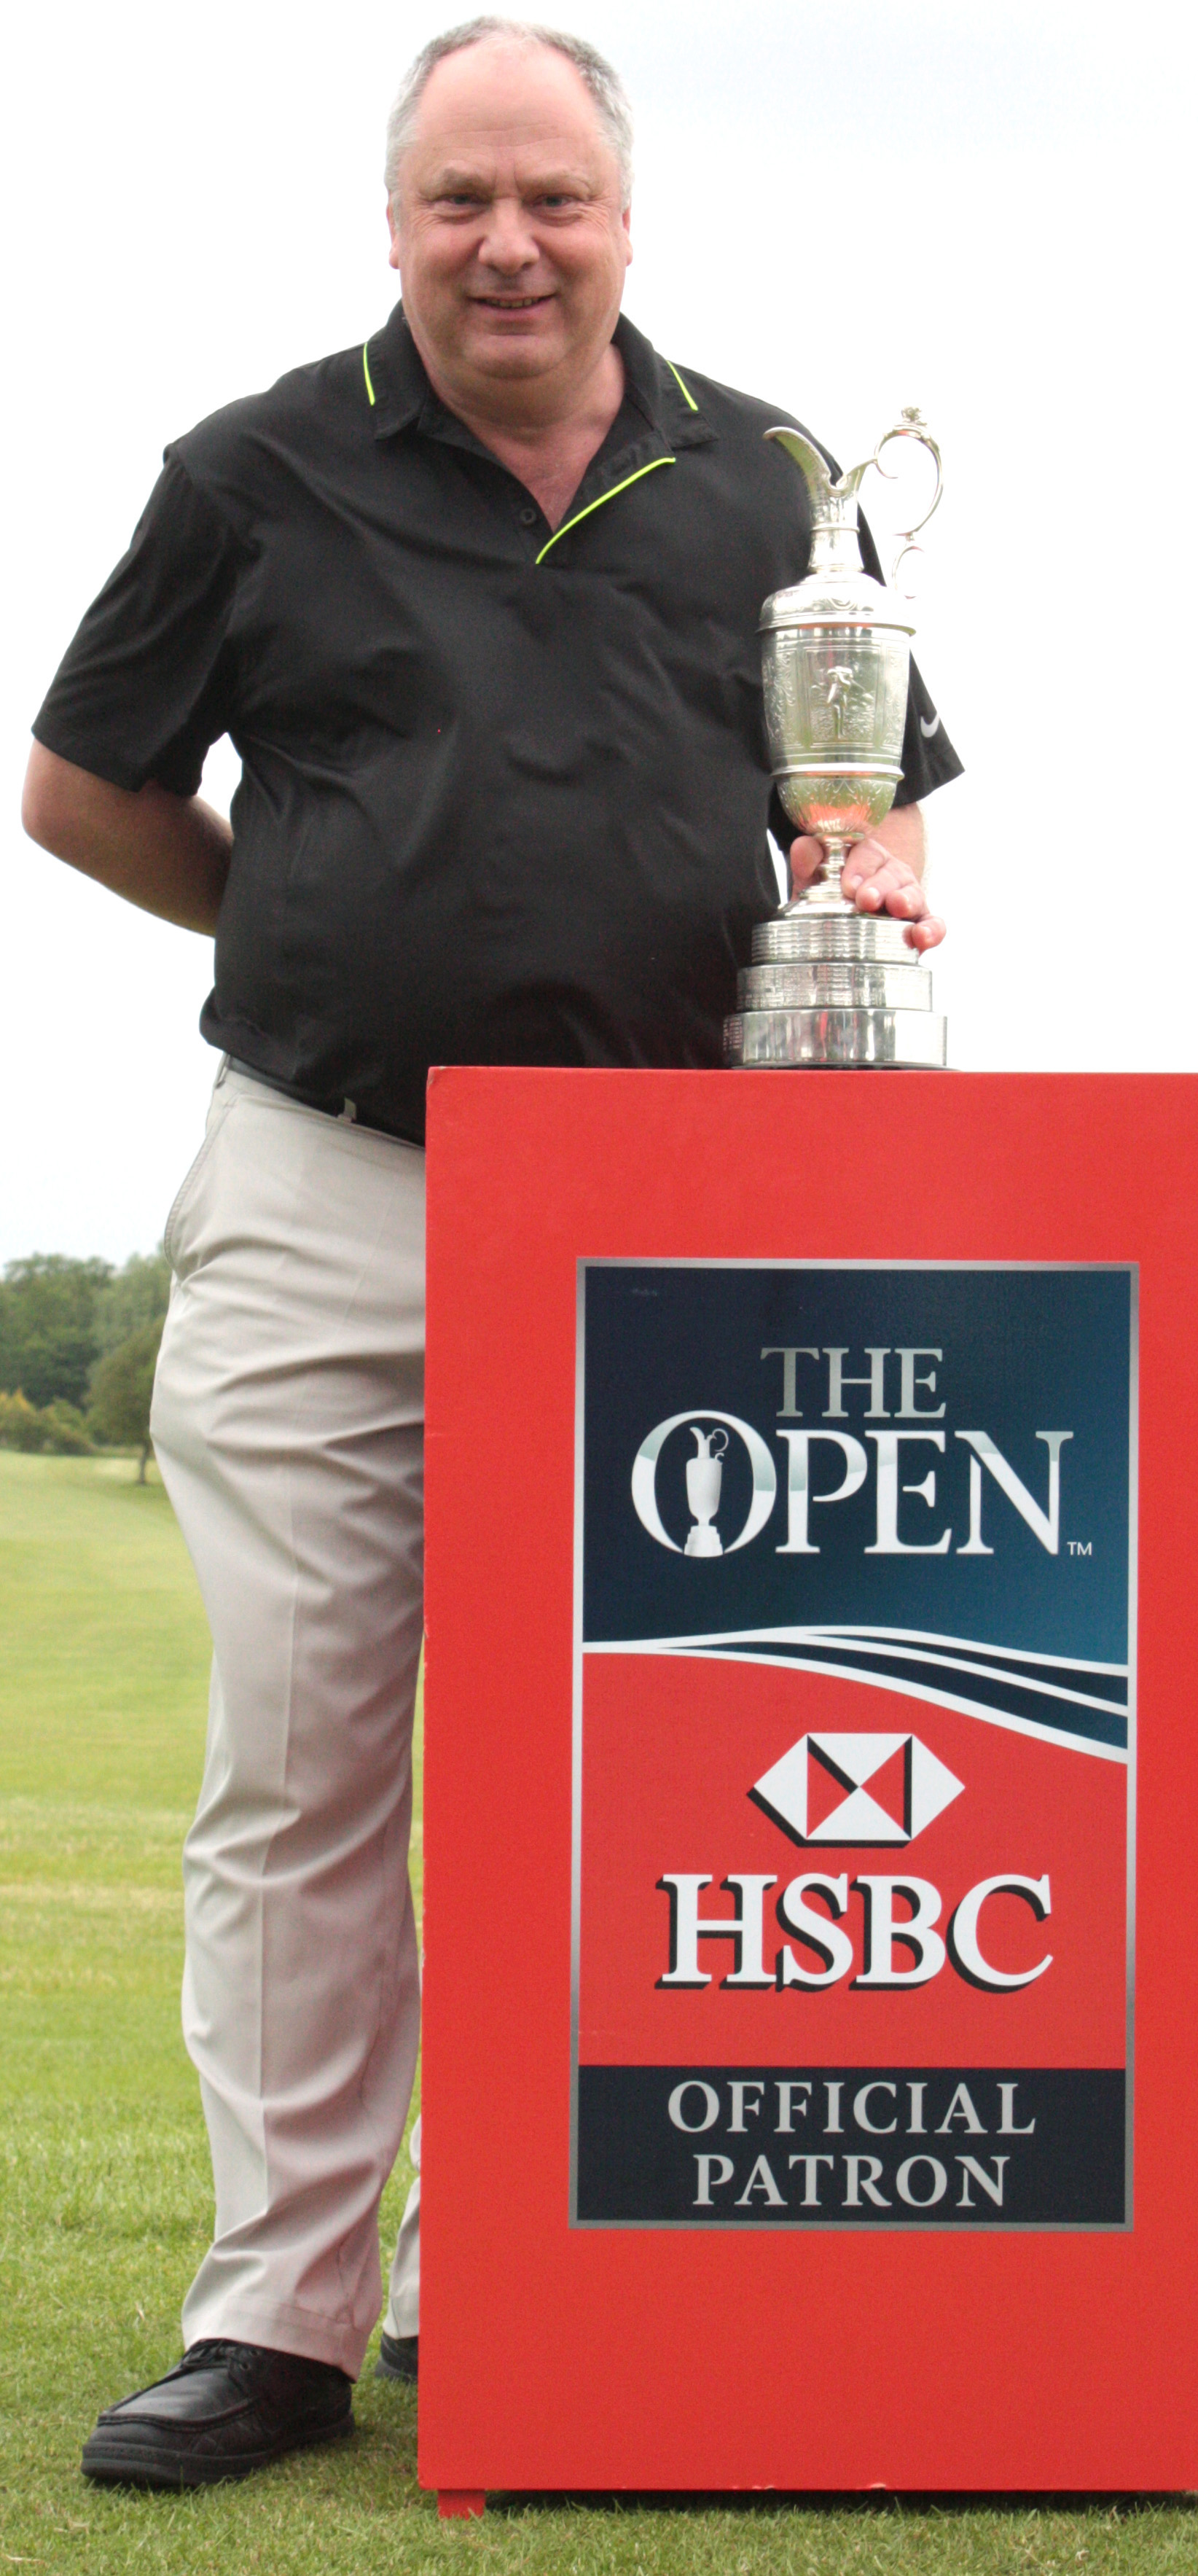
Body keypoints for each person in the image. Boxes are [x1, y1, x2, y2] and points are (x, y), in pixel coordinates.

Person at [22, 14, 961, 2490]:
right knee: (305, 1767)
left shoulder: (765, 471)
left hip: (668, 1214)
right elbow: (81, 785)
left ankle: (506, 2271)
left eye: (549, 198)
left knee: (616, 1772)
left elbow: (863, 798)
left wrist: (876, 878)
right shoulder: (248, 467)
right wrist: (310, 931)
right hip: (328, 1181)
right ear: (396, 220)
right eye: (459, 202)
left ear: (626, 216)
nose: (508, 244)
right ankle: (279, 2316)